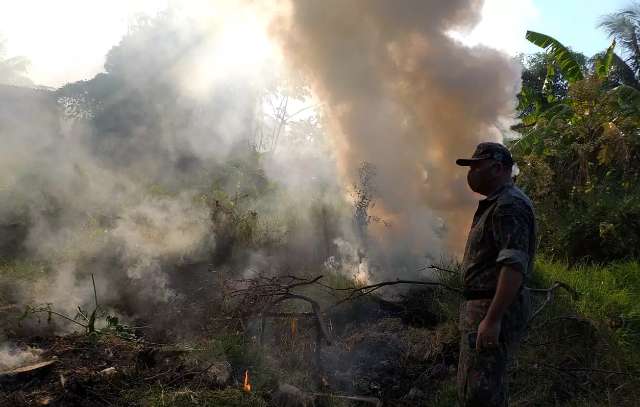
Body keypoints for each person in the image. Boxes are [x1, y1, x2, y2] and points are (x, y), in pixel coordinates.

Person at [455, 142, 536, 406]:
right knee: (479, 386)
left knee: (482, 392)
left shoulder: (508, 206)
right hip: (482, 306)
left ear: (497, 167)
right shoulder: (497, 204)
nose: (471, 172)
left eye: (476, 166)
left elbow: (513, 266)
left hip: (490, 306)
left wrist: (492, 319)